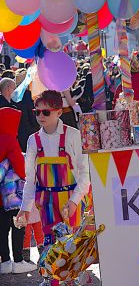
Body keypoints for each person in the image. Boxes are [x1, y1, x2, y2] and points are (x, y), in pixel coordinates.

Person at [16, 90, 91, 258]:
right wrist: (25, 209)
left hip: (71, 201)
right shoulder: (33, 140)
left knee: (72, 249)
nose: (40, 115)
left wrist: (74, 201)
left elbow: (85, 173)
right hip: (47, 203)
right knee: (53, 250)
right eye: (37, 112)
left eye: (46, 111)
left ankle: (72, 282)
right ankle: (54, 282)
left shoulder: (73, 135)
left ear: (58, 112)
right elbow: (30, 179)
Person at [0, 108, 37, 274]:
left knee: (1, 229)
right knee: (17, 225)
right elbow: (22, 170)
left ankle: (5, 262)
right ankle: (18, 261)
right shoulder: (9, 139)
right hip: (11, 194)